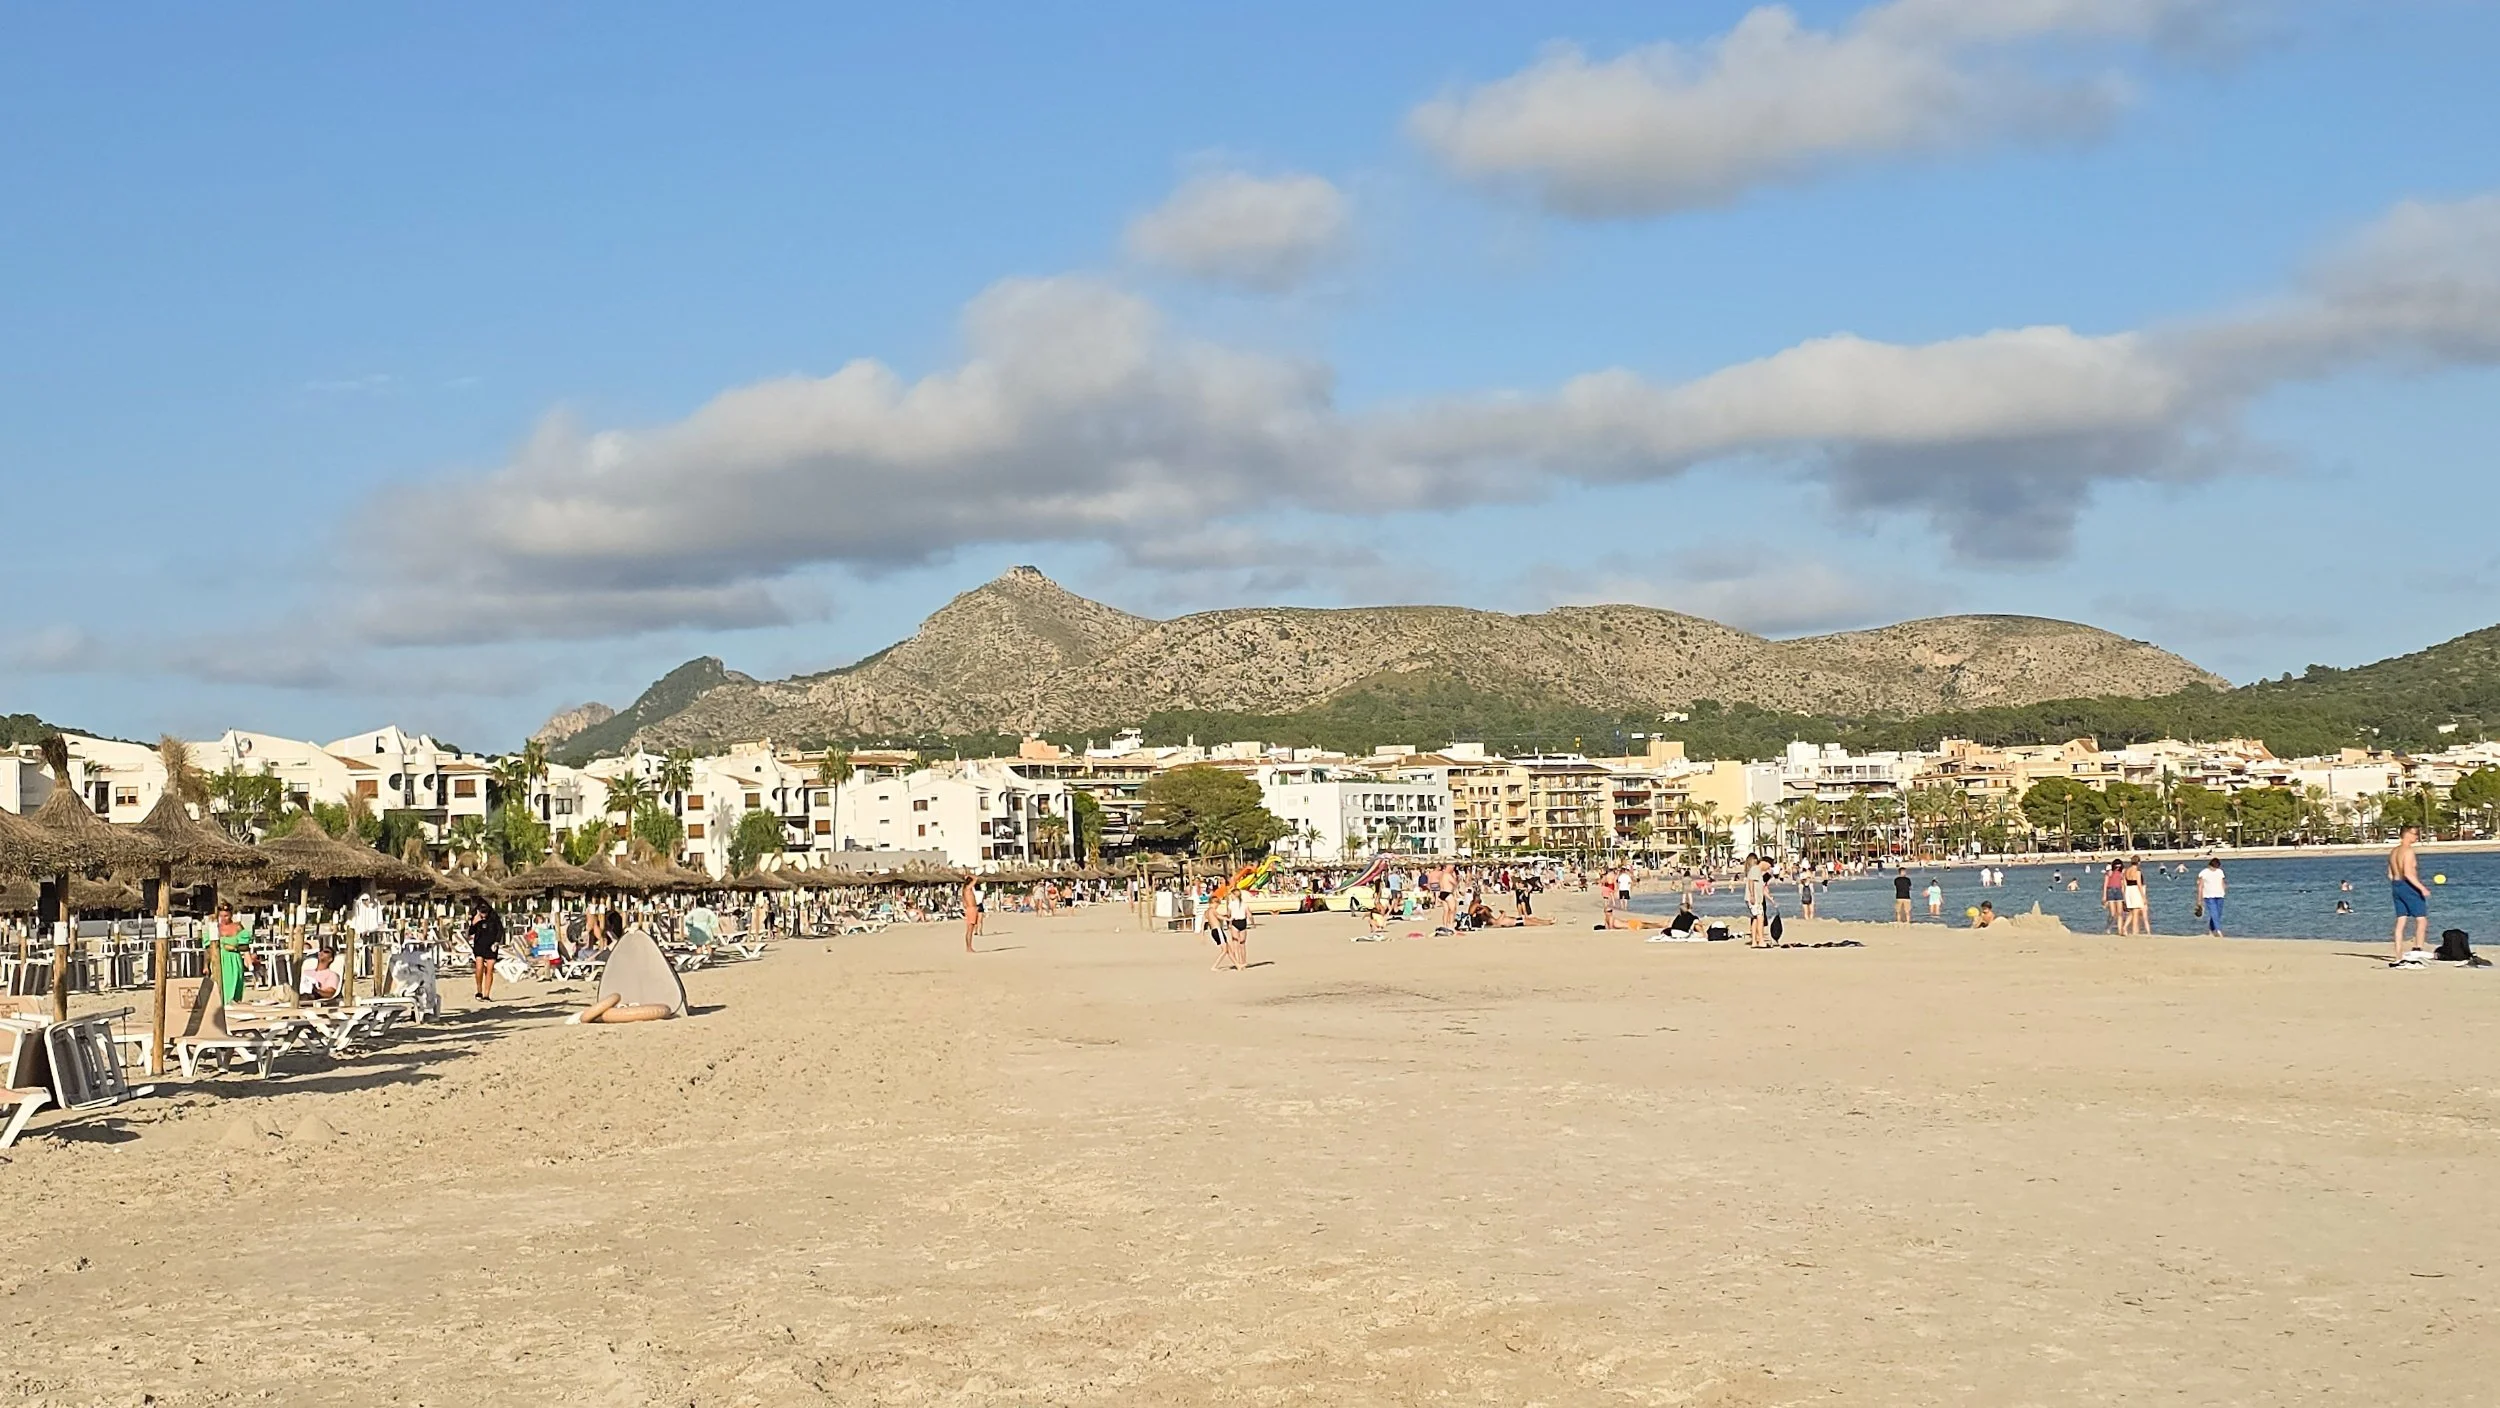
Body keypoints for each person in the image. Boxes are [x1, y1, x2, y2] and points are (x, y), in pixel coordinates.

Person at [2389, 824, 2431, 965]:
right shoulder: (2408, 851)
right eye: (2415, 834)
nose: (2417, 837)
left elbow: (2390, 874)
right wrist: (2422, 888)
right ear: (2406, 834)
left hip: (2396, 886)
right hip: (2408, 886)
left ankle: (2398, 956)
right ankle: (2417, 950)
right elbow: (2408, 873)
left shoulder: (2394, 851)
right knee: (2421, 919)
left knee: (2401, 920)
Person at [204, 902, 251, 1004]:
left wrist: (235, 948)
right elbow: (208, 949)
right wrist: (206, 965)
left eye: (226, 916)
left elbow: (245, 947)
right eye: (221, 916)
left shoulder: (238, 927)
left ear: (231, 914)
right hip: (219, 960)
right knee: (221, 986)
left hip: (234, 960)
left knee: (235, 985)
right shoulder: (215, 927)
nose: (224, 918)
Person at [464, 896, 505, 1002]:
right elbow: (469, 933)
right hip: (479, 945)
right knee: (479, 968)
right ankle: (479, 990)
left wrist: (496, 942)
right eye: (482, 914)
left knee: (490, 970)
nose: (484, 916)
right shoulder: (476, 916)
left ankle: (487, 994)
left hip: (491, 945)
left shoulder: (494, 916)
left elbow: (500, 930)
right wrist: (474, 923)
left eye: (485, 913)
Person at [2196, 857, 2227, 936]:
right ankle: (2218, 930)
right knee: (2214, 913)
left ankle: (2211, 929)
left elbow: (2222, 882)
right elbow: (2200, 886)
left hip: (2220, 895)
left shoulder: (2220, 872)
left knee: (2218, 914)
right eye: (2214, 867)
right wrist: (2199, 900)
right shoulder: (2204, 873)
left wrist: (2224, 891)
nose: (2214, 869)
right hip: (2209, 895)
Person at [2121, 857, 2149, 936]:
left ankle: (2125, 927)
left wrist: (2125, 895)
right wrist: (2143, 897)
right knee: (2136, 912)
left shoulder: (2126, 871)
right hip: (2135, 890)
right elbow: (2139, 885)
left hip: (2129, 890)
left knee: (2132, 912)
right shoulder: (2137, 872)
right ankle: (2134, 931)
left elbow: (2124, 884)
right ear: (2138, 862)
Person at [1225, 887, 1251, 968]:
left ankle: (1238, 962)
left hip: (1235, 922)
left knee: (1235, 943)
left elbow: (1228, 914)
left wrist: (1228, 922)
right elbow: (1249, 914)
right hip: (1243, 922)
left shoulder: (1231, 904)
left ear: (1234, 895)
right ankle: (1243, 961)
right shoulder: (1244, 903)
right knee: (1242, 944)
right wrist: (1253, 923)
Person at [2101, 861, 2126, 933]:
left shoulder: (2121, 874)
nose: (2117, 868)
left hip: (2119, 891)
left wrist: (2124, 896)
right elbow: (2105, 885)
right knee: (2112, 913)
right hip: (2110, 891)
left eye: (2119, 867)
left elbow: (2123, 885)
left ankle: (2120, 930)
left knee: (2120, 913)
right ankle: (2108, 927)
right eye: (2116, 867)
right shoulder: (2109, 873)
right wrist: (2104, 896)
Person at [961, 876, 981, 953]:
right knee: (970, 930)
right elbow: (976, 878)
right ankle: (969, 947)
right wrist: (969, 875)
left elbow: (964, 904)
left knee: (970, 929)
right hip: (972, 909)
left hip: (971, 909)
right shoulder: (968, 889)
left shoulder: (965, 890)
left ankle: (969, 947)